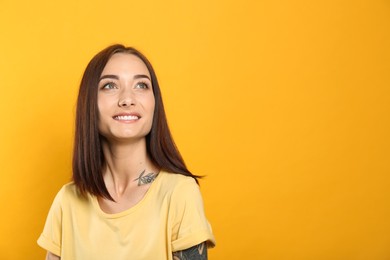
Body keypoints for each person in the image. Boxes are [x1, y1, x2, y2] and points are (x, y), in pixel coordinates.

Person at [37, 44, 215, 259]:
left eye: (141, 85)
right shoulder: (68, 201)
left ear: (154, 103)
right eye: (110, 85)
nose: (127, 99)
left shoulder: (179, 194)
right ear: (89, 103)